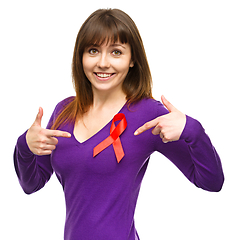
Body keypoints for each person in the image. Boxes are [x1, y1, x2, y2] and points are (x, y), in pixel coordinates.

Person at [14, 8, 224, 240]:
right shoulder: (63, 111)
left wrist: (192, 130)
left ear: (132, 59)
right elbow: (31, 184)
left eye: (116, 52)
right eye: (93, 50)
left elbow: (211, 181)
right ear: (80, 56)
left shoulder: (147, 113)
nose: (103, 63)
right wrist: (25, 144)